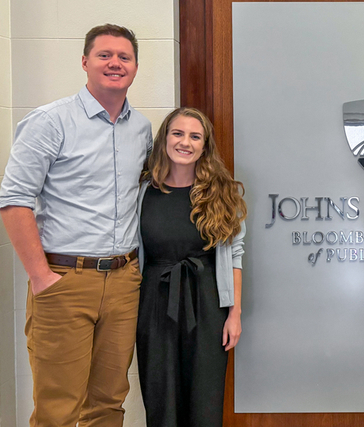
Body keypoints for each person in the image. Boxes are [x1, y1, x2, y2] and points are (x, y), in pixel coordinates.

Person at [0, 24, 151, 426]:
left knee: (108, 403)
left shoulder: (142, 129)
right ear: (85, 62)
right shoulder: (50, 121)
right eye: (104, 55)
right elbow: (13, 201)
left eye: (124, 56)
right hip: (65, 280)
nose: (115, 63)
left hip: (123, 283)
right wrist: (41, 277)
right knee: (58, 409)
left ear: (136, 67)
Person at [136, 107, 247, 427]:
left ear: (204, 146)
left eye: (194, 136)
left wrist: (234, 314)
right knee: (160, 396)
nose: (185, 142)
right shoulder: (143, 191)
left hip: (208, 304)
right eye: (178, 133)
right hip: (154, 304)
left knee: (204, 399)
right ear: (164, 140)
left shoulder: (222, 193)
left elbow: (235, 254)